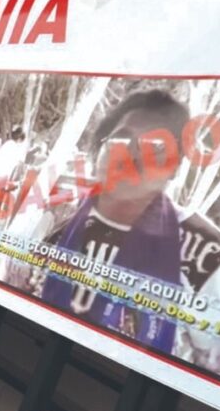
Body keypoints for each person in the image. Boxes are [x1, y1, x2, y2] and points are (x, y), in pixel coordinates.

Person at [40, 90, 190, 352]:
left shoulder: (204, 256)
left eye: (155, 146)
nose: (131, 156)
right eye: (120, 140)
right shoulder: (59, 221)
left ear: (175, 166)